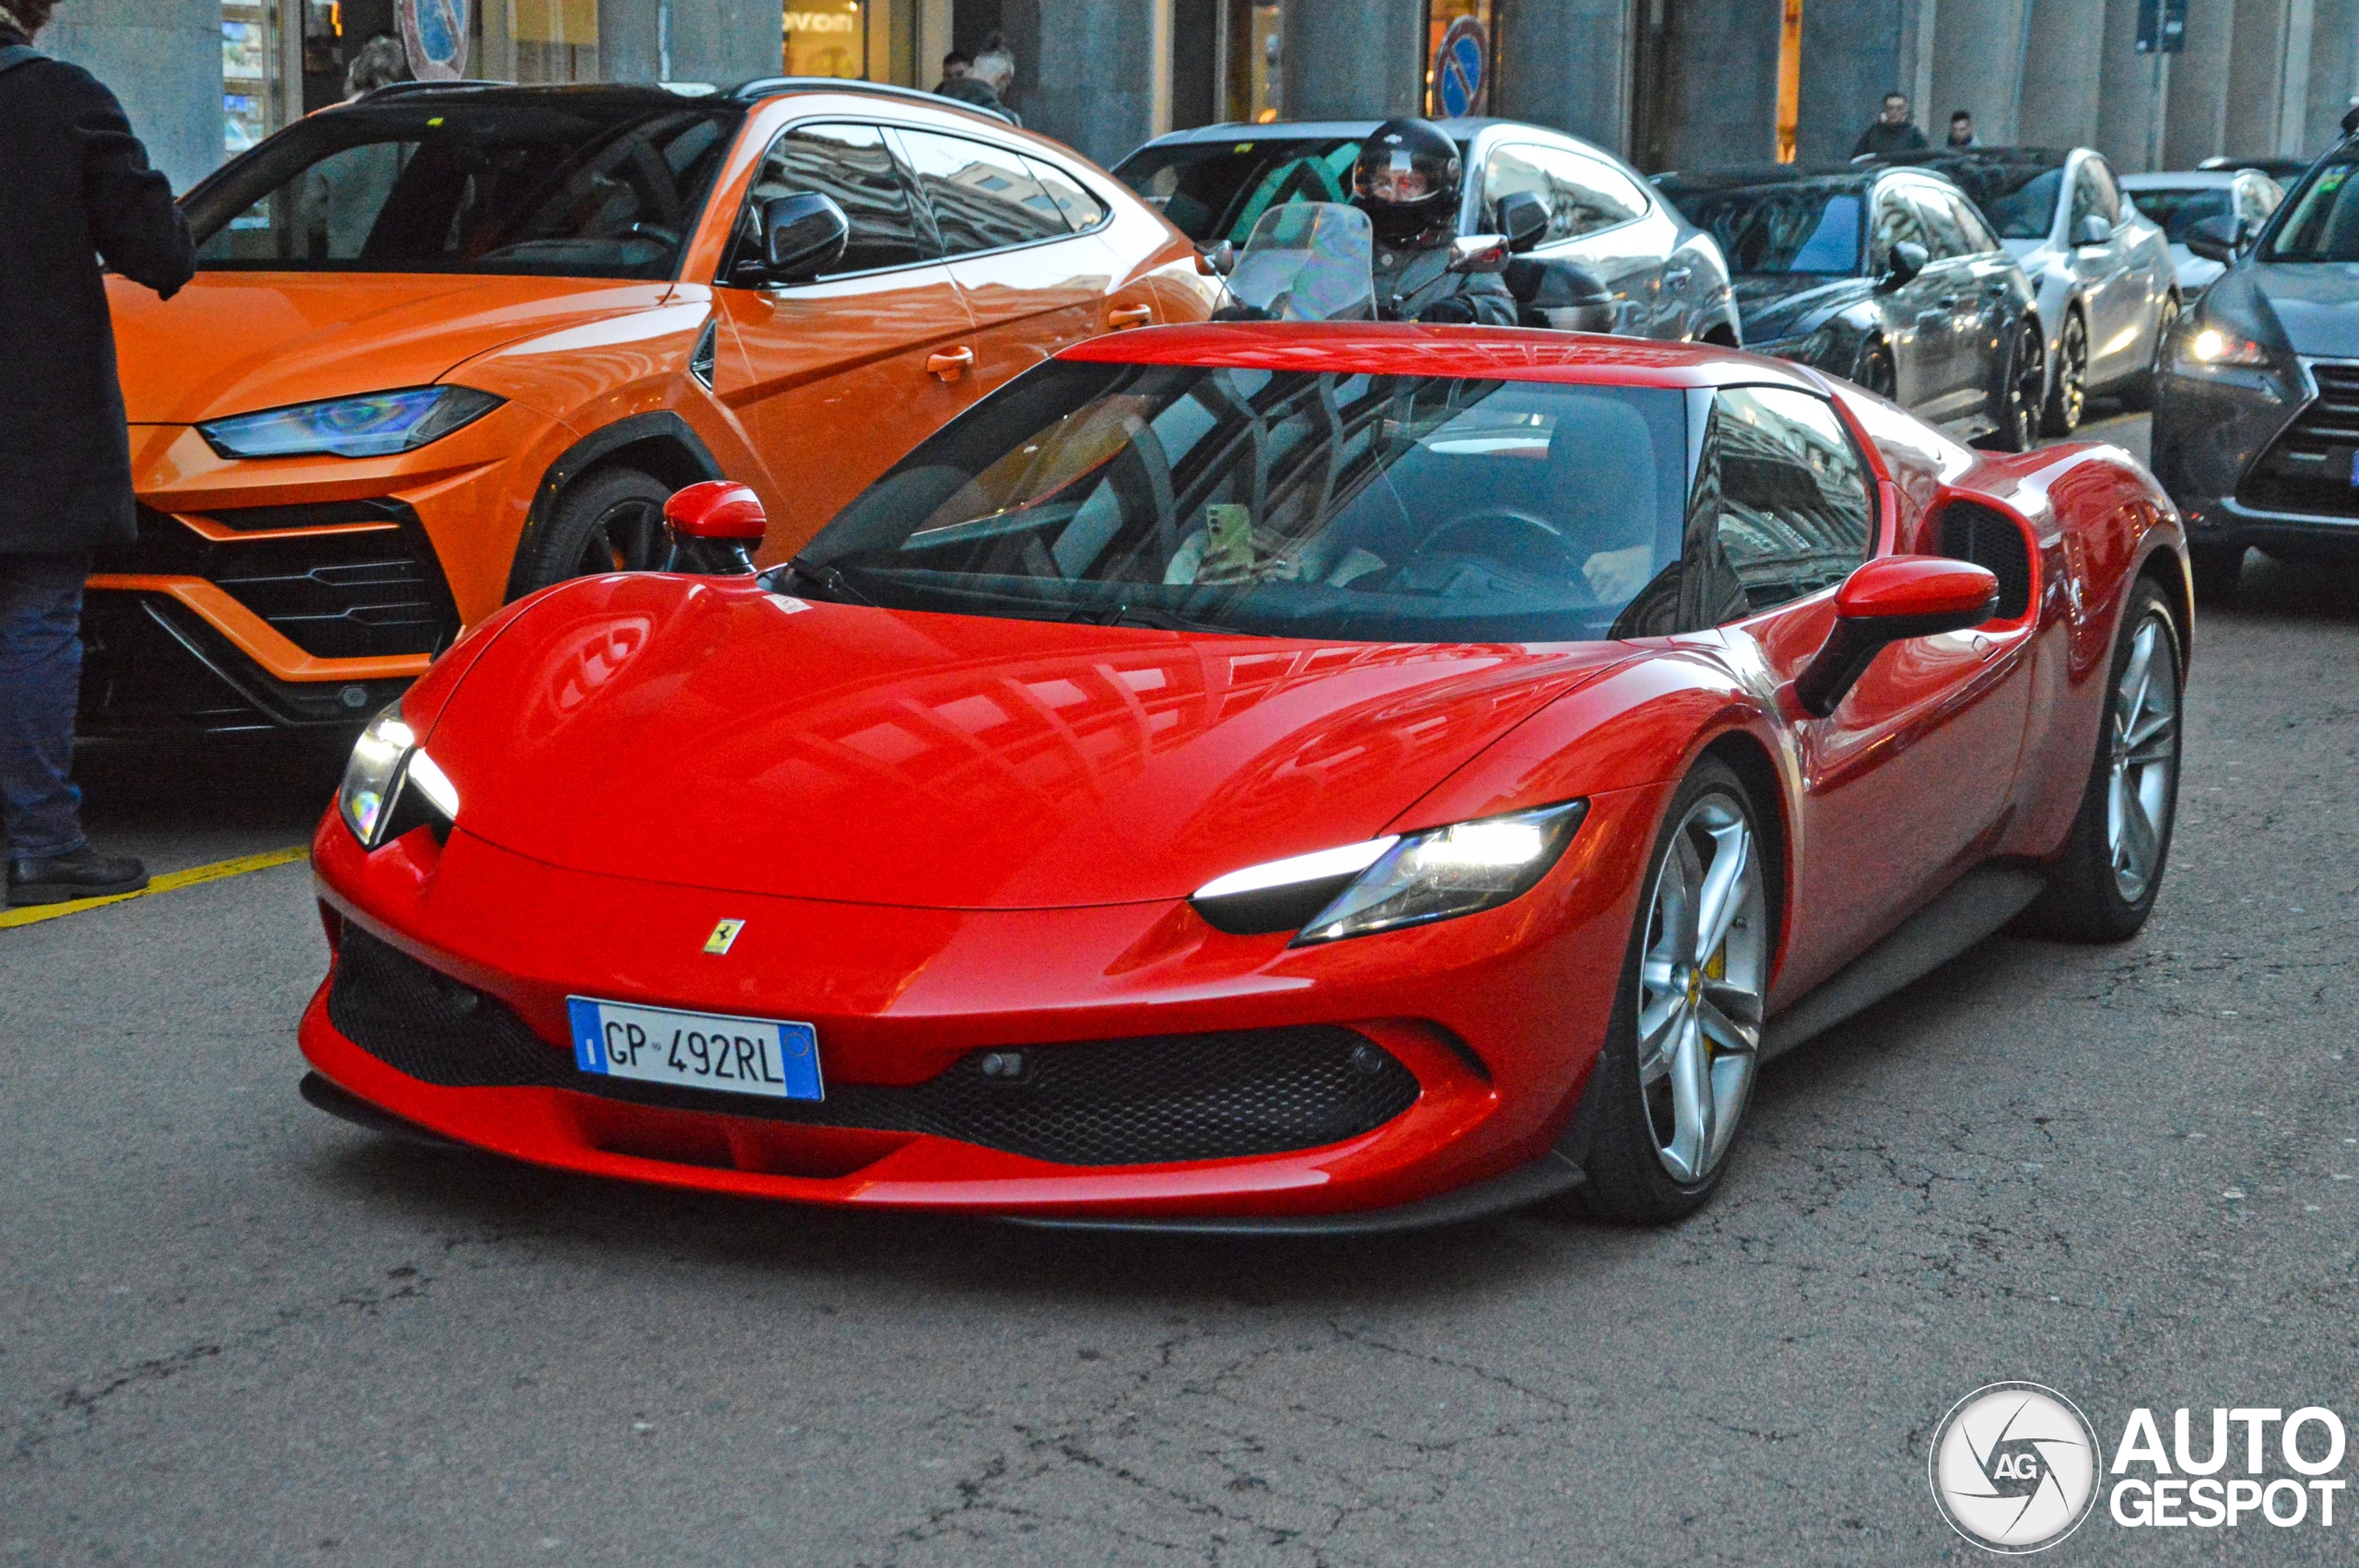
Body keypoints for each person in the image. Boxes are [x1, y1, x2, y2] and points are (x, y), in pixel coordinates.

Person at [0, 0, 194, 906]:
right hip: (32, 418)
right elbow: (158, 251)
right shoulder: (61, 101)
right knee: (37, 619)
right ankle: (44, 839)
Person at [1351, 117, 1516, 326]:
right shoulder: (1345, 249)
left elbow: (1500, 314)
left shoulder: (1462, 258)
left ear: (1439, 186)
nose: (1392, 196)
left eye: (1408, 183)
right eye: (1383, 182)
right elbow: (1303, 306)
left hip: (1424, 357)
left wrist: (1470, 310)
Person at [299, 35, 408, 259]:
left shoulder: (332, 129)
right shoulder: (411, 128)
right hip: (407, 265)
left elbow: (311, 211)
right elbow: (463, 196)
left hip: (346, 262)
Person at [1851, 91, 1930, 158]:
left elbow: (1924, 160)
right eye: (1890, 108)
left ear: (1905, 110)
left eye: (1899, 108)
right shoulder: (1871, 133)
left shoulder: (1915, 135)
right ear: (1884, 109)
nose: (1894, 112)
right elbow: (1857, 159)